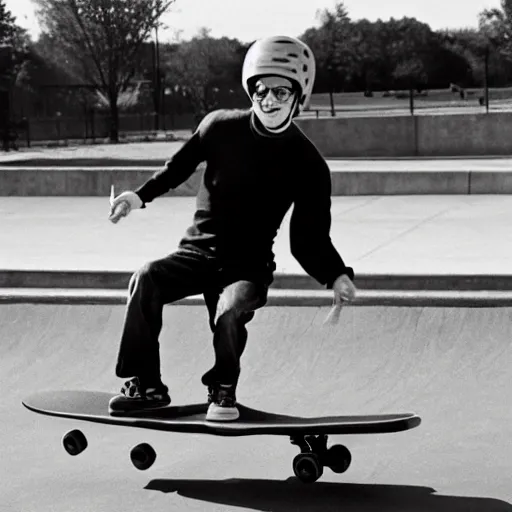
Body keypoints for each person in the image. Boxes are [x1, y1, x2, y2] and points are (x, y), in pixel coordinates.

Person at [108, 35, 357, 422]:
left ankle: (223, 389)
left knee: (229, 310)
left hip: (247, 267)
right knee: (146, 278)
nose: (269, 100)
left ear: (298, 96)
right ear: (250, 91)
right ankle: (146, 384)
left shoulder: (307, 163)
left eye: (280, 91)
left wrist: (336, 274)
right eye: (260, 90)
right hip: (196, 254)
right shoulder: (219, 128)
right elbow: (177, 169)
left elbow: (308, 237)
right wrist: (137, 197)